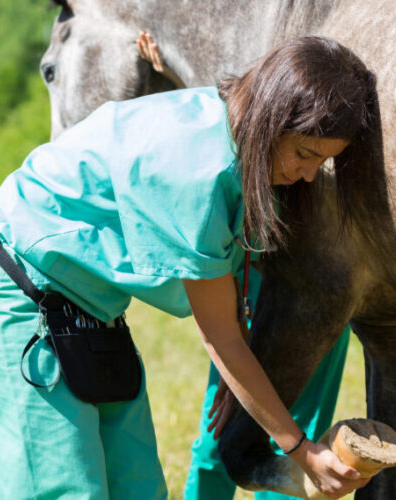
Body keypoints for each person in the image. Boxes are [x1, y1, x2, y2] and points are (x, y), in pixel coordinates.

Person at [0, 35, 376, 499]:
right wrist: (299, 449)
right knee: (63, 491)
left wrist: (247, 387)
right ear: (273, 117)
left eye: (323, 161)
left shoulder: (237, 130)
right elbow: (220, 336)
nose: (310, 175)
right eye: (306, 155)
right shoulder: (196, 169)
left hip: (93, 307)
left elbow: (230, 301)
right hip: (17, 286)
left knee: (140, 491)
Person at [136, 31, 353, 500]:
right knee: (222, 427)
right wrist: (173, 77)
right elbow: (219, 123)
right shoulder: (242, 140)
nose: (310, 170)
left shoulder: (322, 129)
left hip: (318, 292)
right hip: (243, 295)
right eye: (305, 157)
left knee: (302, 425)